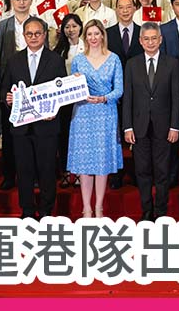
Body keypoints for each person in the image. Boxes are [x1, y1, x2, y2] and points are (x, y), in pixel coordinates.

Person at [2, 18, 66, 218]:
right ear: (23, 36)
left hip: (47, 127)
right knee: (24, 171)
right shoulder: (14, 60)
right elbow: (4, 90)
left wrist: (54, 109)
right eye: (29, 34)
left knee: (47, 171)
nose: (33, 37)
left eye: (37, 33)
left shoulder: (55, 60)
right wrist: (8, 99)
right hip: (22, 128)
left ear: (45, 35)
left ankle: (46, 211)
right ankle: (27, 211)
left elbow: (62, 93)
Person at [122, 22, 179, 221]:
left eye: (154, 38)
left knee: (162, 171)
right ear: (140, 41)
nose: (150, 42)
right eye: (146, 39)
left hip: (164, 127)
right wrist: (127, 127)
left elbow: (177, 98)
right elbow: (128, 97)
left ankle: (161, 211)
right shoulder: (132, 64)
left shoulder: (172, 63)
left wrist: (175, 126)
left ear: (160, 40)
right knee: (142, 171)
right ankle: (147, 211)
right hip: (139, 127)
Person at [67, 20, 125, 219]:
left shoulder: (114, 59)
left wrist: (103, 98)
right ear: (85, 37)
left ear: (102, 36)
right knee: (84, 162)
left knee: (102, 161)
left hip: (105, 113)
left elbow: (119, 89)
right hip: (83, 114)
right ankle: (86, 208)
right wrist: (77, 88)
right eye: (89, 34)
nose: (93, 38)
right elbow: (72, 90)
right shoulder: (78, 60)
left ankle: (99, 207)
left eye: (96, 33)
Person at [54, 13, 85, 188]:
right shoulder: (58, 50)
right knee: (64, 136)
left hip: (83, 99)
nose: (71, 30)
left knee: (80, 136)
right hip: (64, 100)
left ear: (80, 27)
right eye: (67, 27)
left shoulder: (87, 46)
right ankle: (66, 172)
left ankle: (80, 172)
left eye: (74, 26)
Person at [106, 0, 143, 64]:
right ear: (116, 10)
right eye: (121, 7)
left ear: (134, 9)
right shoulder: (107, 33)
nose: (125, 10)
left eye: (128, 7)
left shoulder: (142, 32)